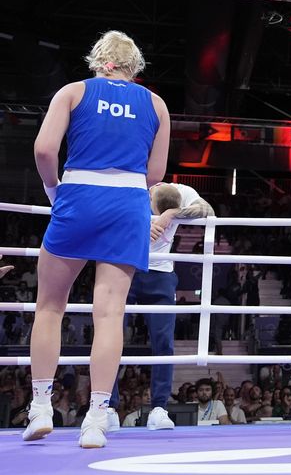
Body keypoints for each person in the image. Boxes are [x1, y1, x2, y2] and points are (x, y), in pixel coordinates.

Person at [23, 30, 170, 448]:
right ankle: (97, 418)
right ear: (134, 65)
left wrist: (55, 190)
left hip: (79, 197)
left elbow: (44, 150)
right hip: (127, 203)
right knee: (110, 314)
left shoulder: (73, 91)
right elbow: (155, 175)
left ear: (97, 60)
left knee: (50, 306)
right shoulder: (156, 104)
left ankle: (40, 408)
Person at [107, 182, 214, 431]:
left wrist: (171, 214)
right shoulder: (127, 187)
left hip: (161, 273)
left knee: (164, 343)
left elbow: (206, 209)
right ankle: (107, 407)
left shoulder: (179, 191)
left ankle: (159, 408)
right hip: (124, 267)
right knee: (110, 336)